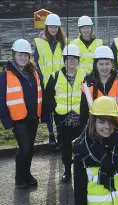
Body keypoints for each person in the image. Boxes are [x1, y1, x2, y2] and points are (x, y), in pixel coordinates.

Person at [0, 39, 44, 188]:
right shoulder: (4, 75)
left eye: (26, 55)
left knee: (30, 148)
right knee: (25, 147)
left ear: (29, 57)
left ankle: (27, 174)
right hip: (18, 120)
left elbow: (40, 93)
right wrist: (7, 121)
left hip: (33, 117)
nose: (23, 58)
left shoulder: (34, 73)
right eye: (20, 55)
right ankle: (19, 177)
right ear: (14, 55)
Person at [43, 44, 86, 182]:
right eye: (68, 58)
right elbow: (48, 97)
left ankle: (81, 170)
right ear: (64, 60)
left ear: (78, 60)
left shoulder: (85, 75)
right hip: (63, 119)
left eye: (74, 58)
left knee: (82, 146)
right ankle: (67, 171)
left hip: (80, 118)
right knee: (65, 146)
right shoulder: (54, 76)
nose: (71, 61)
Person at [34, 13, 66, 146]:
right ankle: (51, 134)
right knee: (48, 111)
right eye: (51, 27)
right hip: (45, 83)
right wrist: (40, 80)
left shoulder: (64, 42)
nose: (53, 30)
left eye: (56, 27)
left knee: (59, 110)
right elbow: (36, 62)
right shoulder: (39, 43)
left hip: (60, 82)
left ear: (59, 28)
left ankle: (59, 134)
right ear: (47, 27)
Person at [80, 46, 118, 129]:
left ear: (112, 64)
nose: (104, 68)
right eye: (101, 64)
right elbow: (83, 114)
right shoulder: (87, 85)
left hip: (117, 129)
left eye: (107, 64)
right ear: (96, 65)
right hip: (96, 132)